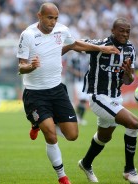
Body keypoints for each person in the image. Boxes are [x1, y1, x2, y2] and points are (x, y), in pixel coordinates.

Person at [16, 3, 119, 184]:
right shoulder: (28, 35)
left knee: (72, 135)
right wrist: (30, 67)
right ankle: (62, 177)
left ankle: (38, 124)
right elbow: (21, 66)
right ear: (39, 16)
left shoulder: (62, 30)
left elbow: (75, 44)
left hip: (57, 90)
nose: (53, 22)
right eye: (50, 18)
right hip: (35, 93)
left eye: (56, 18)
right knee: (51, 135)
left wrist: (102, 49)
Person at [63, 17, 138, 184]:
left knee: (104, 137)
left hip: (115, 98)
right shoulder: (100, 44)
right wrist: (59, 50)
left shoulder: (130, 49)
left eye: (128, 31)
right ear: (112, 30)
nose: (125, 34)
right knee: (134, 123)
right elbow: (76, 44)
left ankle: (85, 163)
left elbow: (129, 80)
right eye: (121, 30)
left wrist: (128, 73)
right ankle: (129, 170)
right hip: (98, 96)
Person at [65, 52, 89, 125]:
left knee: (84, 100)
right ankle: (75, 118)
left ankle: (79, 118)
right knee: (77, 100)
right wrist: (77, 73)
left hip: (85, 81)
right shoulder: (74, 56)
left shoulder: (87, 56)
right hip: (76, 81)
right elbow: (69, 67)